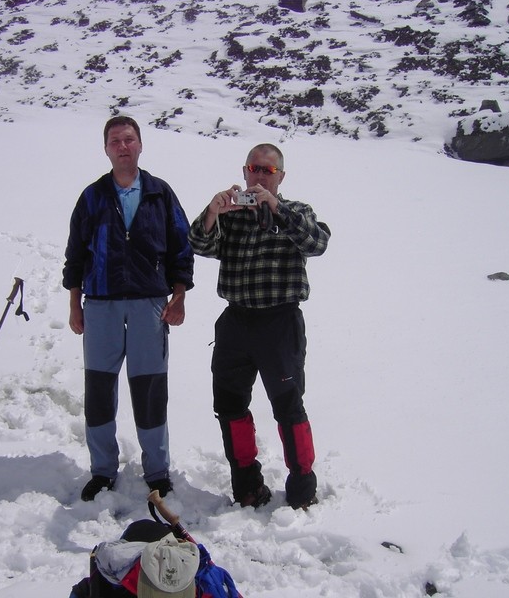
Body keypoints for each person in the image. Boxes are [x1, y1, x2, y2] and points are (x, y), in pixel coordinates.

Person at [188, 143, 330, 509]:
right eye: (254, 168)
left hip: (280, 323)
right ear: (244, 171)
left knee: (288, 406)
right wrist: (212, 211)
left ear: (280, 176)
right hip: (236, 322)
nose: (259, 175)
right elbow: (198, 243)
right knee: (230, 404)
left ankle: (302, 489)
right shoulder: (232, 214)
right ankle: (247, 485)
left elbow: (317, 242)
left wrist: (275, 207)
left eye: (268, 170)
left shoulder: (296, 212)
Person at [63, 116, 194, 502]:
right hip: (101, 304)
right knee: (99, 390)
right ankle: (103, 470)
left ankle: (157, 470)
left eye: (129, 139)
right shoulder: (92, 196)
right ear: (106, 148)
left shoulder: (159, 193)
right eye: (115, 141)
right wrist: (75, 303)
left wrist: (180, 295)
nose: (123, 146)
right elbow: (74, 255)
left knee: (150, 389)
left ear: (140, 145)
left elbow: (180, 249)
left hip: (149, 305)